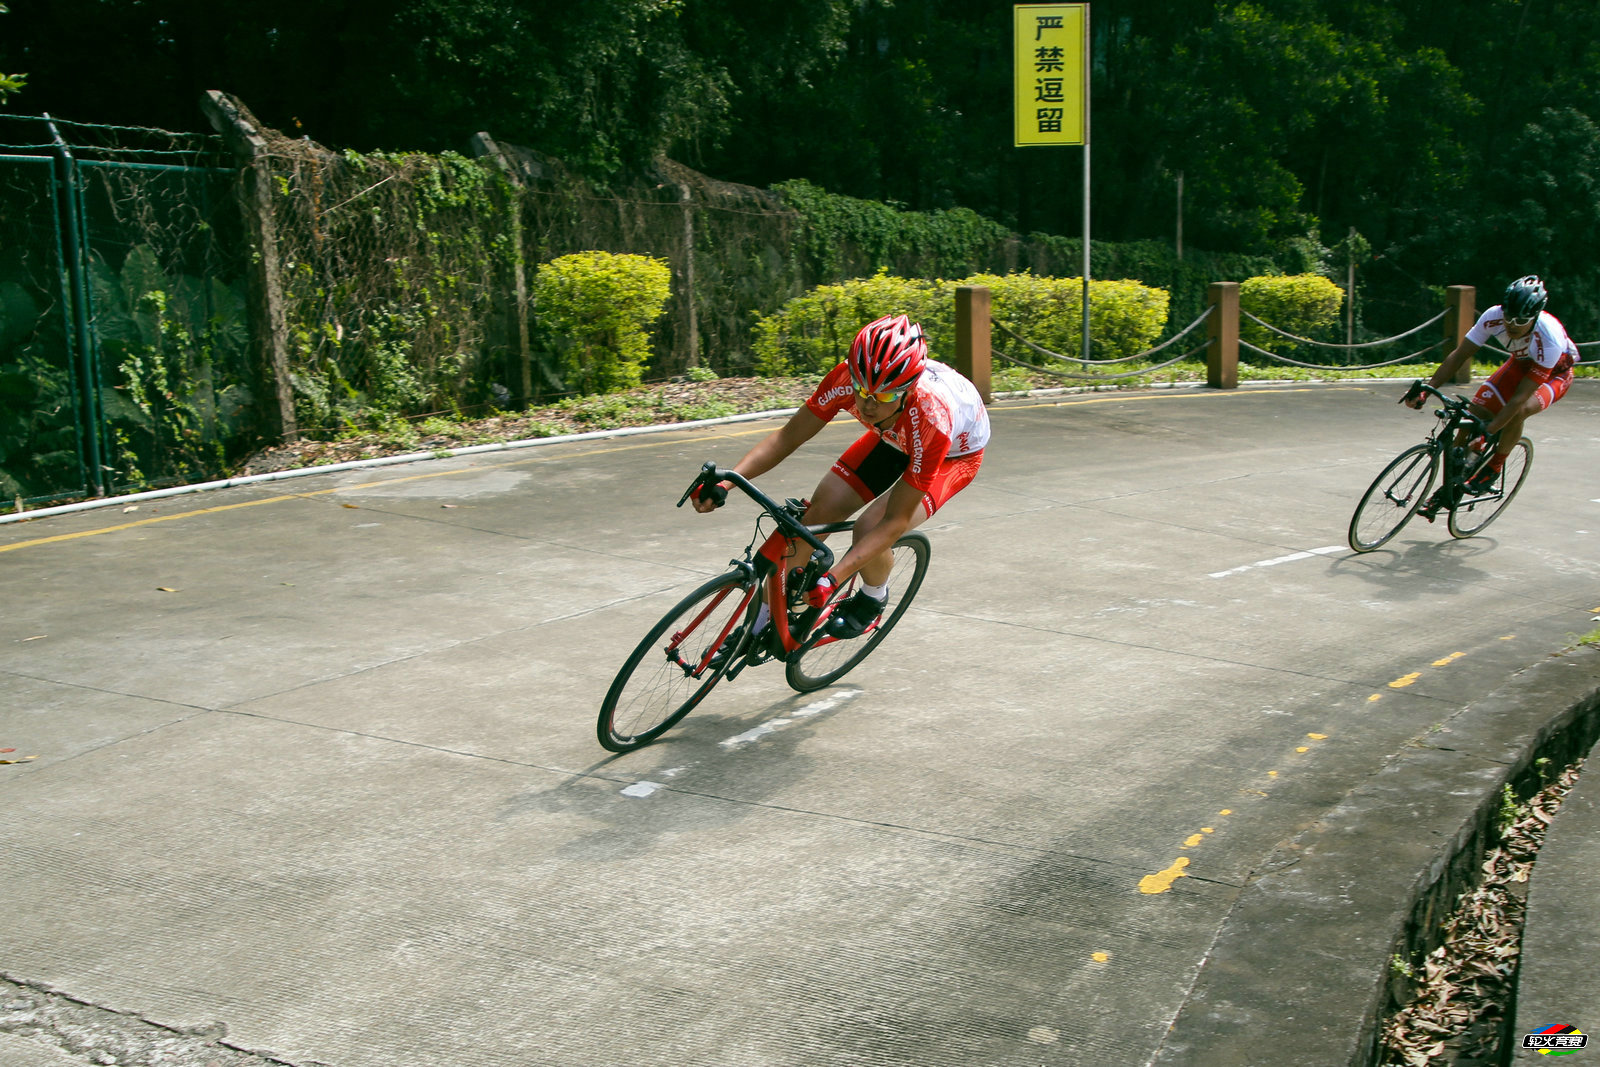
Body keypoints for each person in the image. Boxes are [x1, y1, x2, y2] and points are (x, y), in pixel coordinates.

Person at [692, 313, 989, 648]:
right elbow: (787, 438)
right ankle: (760, 626)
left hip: (952, 455)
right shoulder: (847, 378)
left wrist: (835, 578)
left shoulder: (931, 417)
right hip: (894, 436)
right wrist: (728, 481)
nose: (868, 404)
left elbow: (895, 520)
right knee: (817, 515)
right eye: (862, 391)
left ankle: (874, 596)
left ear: (908, 390)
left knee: (870, 528)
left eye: (884, 396)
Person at [1404, 275, 1576, 514]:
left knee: (1520, 411)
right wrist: (1428, 389)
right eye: (1508, 316)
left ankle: (1493, 467)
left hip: (1555, 374)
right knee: (1473, 412)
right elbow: (1459, 355)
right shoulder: (1493, 317)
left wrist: (1490, 430)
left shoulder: (1549, 338)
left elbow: (1518, 398)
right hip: (1521, 363)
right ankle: (1450, 488)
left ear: (1535, 317)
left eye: (1521, 320)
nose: (1512, 324)